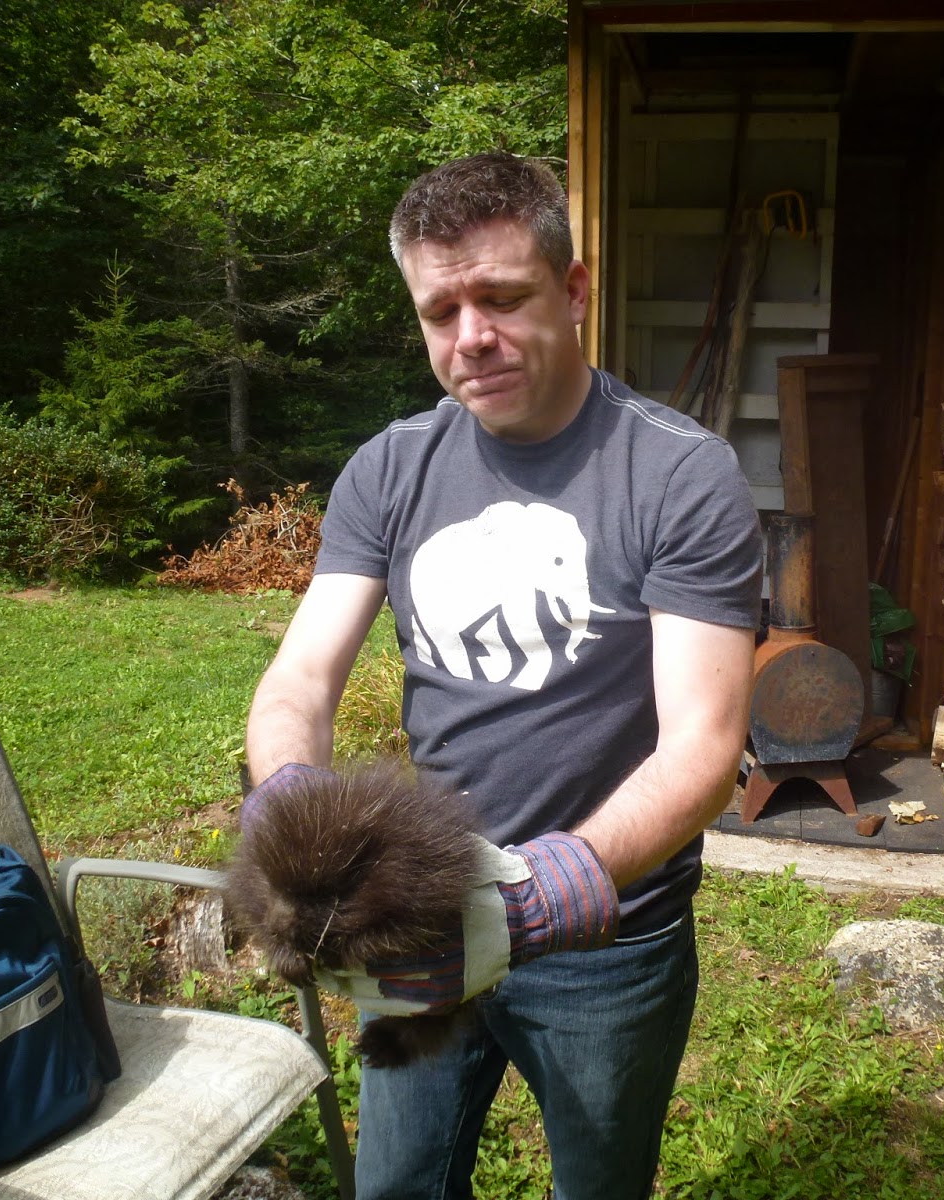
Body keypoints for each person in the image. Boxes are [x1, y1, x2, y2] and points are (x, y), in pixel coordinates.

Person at [243, 151, 763, 1199]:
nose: (469, 336)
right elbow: (299, 677)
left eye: (501, 296)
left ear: (573, 292)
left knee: (598, 1185)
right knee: (395, 1185)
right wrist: (294, 809)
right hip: (417, 914)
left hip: (605, 933)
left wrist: (538, 900)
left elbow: (703, 748)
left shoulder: (678, 474)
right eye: (440, 310)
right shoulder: (389, 470)